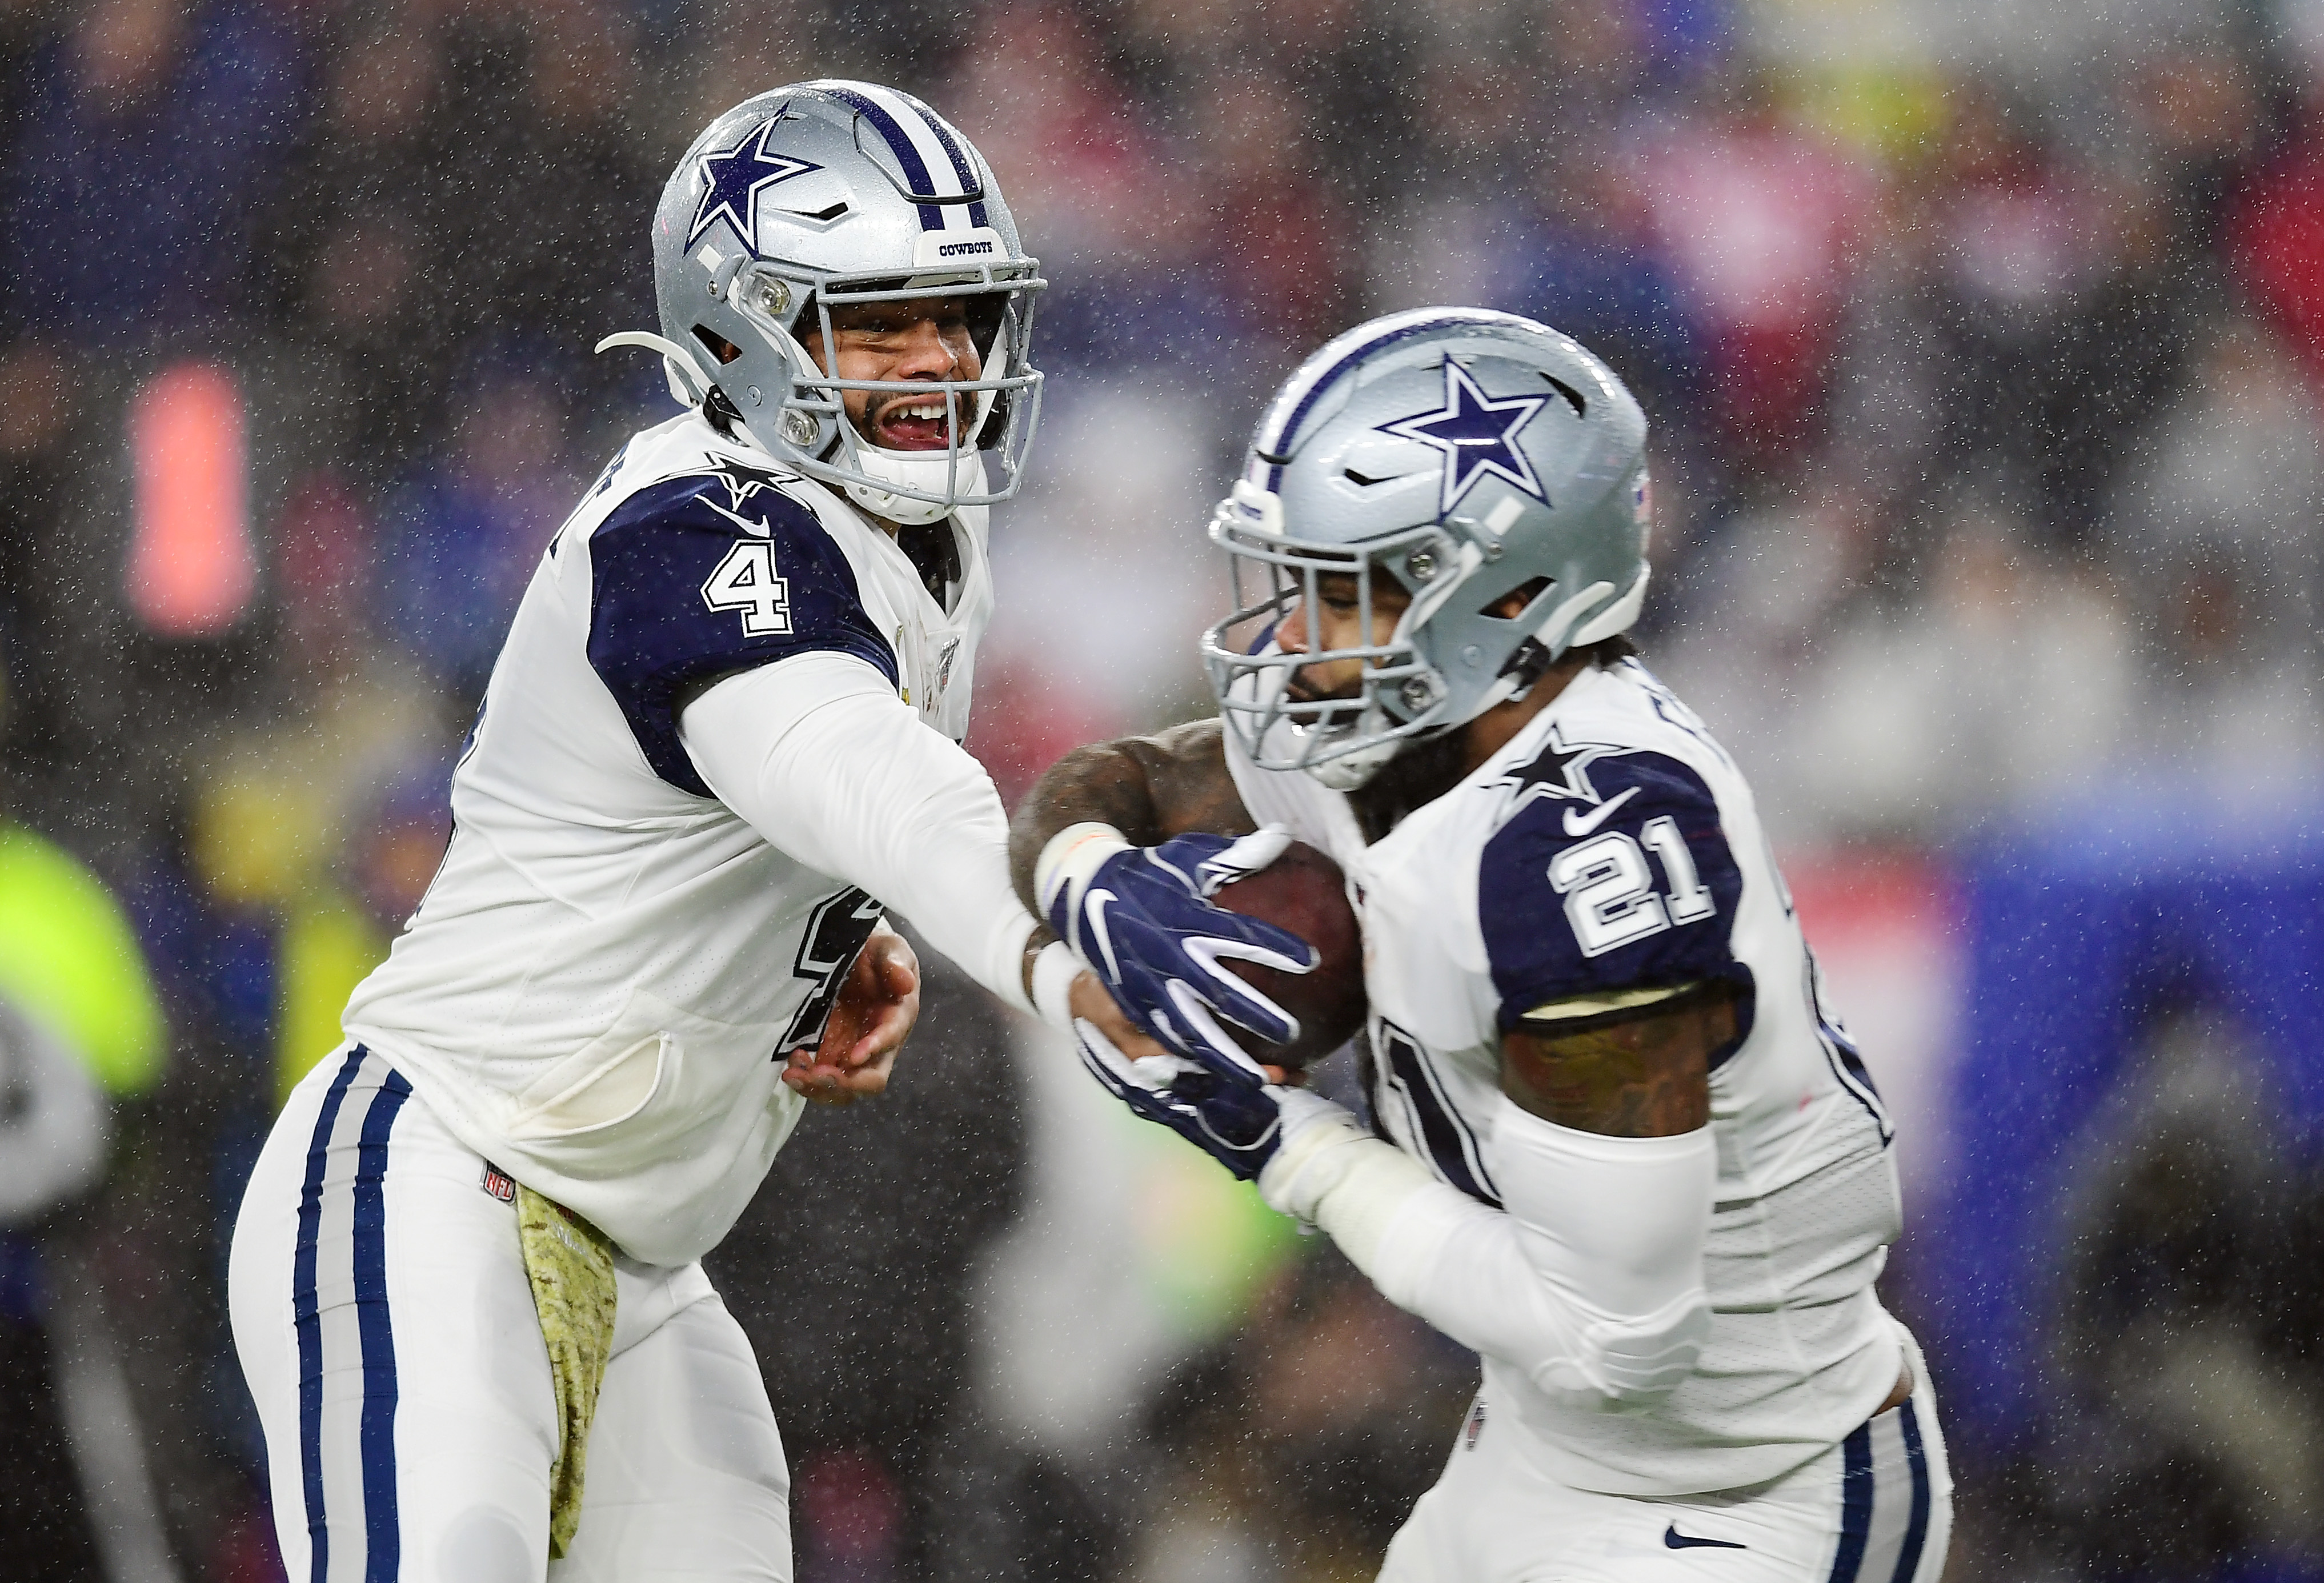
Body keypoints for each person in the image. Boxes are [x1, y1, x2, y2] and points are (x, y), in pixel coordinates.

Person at [228, 81, 1088, 1582]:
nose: (944, 357)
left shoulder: (925, 545)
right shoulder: (693, 522)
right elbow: (839, 759)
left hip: (645, 1262)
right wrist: (1066, 909)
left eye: (961, 313)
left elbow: (749, 819)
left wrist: (830, 944)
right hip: (447, 1192)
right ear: (742, 335)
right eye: (882, 319)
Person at [1013, 308, 1954, 1580]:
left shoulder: (1584, 861)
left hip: (1742, 1482)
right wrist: (1097, 888)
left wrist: (1289, 1146)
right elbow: (1123, 780)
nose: (1289, 634)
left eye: (1340, 591)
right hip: (1547, 1445)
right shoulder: (1411, 728)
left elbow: (1620, 1339)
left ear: (1507, 598)